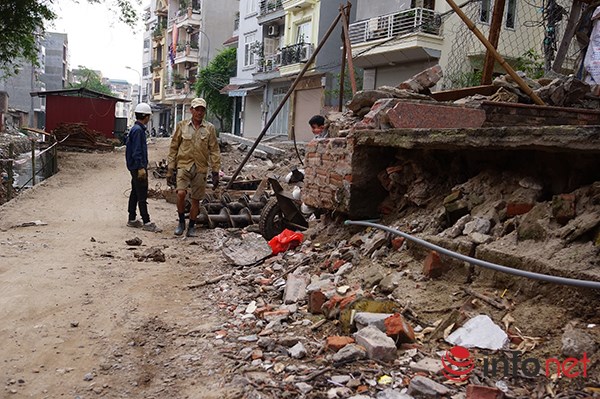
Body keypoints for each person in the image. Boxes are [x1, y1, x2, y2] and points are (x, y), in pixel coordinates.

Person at [166, 98, 221, 237]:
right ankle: (181, 222)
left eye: (202, 110)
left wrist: (215, 171)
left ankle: (191, 226)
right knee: (181, 193)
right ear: (191, 110)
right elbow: (174, 148)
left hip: (201, 168)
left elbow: (214, 150)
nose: (199, 112)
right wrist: (170, 169)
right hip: (184, 165)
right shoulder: (182, 126)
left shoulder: (209, 129)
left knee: (196, 199)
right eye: (197, 109)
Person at [125, 103, 161, 232]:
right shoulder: (139, 131)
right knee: (141, 193)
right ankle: (146, 221)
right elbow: (137, 151)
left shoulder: (135, 129)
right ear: (145, 116)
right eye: (149, 116)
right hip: (137, 166)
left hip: (134, 166)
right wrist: (141, 167)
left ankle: (132, 218)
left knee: (135, 191)